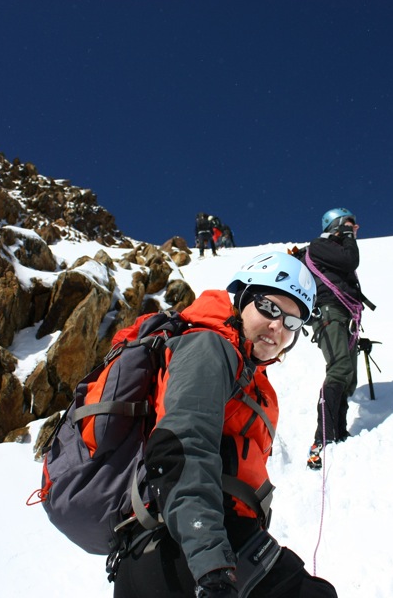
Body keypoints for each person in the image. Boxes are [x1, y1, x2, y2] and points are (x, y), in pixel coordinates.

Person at [112, 251, 337, 598]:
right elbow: (181, 449)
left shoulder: (243, 370)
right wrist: (212, 570)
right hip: (182, 550)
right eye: (269, 308)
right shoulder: (208, 346)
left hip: (191, 548)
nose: (278, 327)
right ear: (243, 298)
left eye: (292, 323)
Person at [303, 208, 374, 471]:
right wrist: (347, 236)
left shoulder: (332, 250)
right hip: (329, 313)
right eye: (351, 224)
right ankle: (323, 436)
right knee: (340, 368)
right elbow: (350, 260)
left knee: (348, 377)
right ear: (338, 224)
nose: (356, 228)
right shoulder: (319, 245)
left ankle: (339, 432)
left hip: (344, 315)